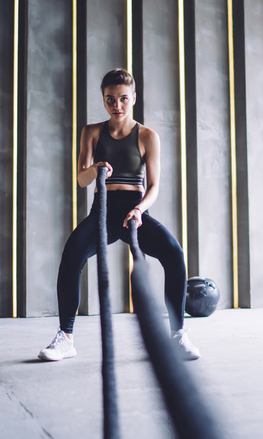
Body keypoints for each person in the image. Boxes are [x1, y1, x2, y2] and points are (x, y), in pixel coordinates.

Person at [38, 68, 200, 361]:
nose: (117, 106)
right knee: (71, 257)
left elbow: (154, 187)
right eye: (110, 99)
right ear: (103, 100)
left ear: (133, 98)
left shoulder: (148, 136)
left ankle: (178, 335)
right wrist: (96, 168)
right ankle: (66, 338)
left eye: (123, 99)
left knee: (174, 255)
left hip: (135, 212)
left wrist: (139, 209)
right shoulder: (91, 132)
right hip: (102, 212)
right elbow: (81, 180)